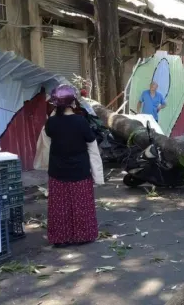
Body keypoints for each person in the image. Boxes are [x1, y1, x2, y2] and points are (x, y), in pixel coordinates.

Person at [44, 85, 101, 247]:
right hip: (79, 170)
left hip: (57, 171)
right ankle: (83, 236)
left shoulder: (52, 122)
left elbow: (48, 136)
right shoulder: (80, 121)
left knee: (59, 207)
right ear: (73, 102)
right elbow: (91, 141)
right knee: (80, 204)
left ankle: (61, 239)